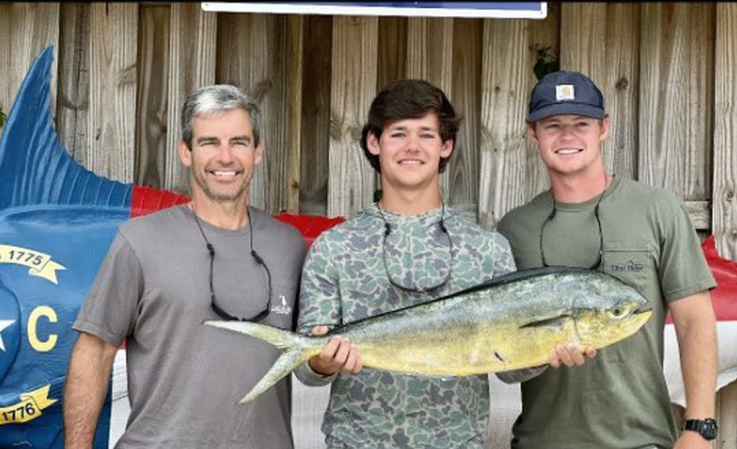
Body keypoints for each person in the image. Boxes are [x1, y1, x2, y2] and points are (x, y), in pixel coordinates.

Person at [293, 78, 535, 449]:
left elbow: (511, 367)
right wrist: (322, 361)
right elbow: (308, 367)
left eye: (426, 134)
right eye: (398, 134)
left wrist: (549, 348)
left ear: (446, 146)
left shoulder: (488, 249)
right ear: (374, 142)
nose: (412, 147)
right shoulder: (335, 247)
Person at [62, 85, 306, 448]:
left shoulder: (289, 246)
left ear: (258, 151)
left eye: (239, 142)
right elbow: (94, 353)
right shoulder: (139, 241)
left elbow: (312, 358)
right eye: (209, 142)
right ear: (186, 152)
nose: (225, 157)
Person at [497, 70, 719, 449]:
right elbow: (502, 354)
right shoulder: (514, 228)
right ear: (534, 134)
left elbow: (694, 320)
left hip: (641, 440)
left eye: (581, 123)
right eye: (553, 125)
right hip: (540, 440)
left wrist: (699, 427)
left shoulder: (657, 209)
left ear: (603, 128)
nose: (567, 136)